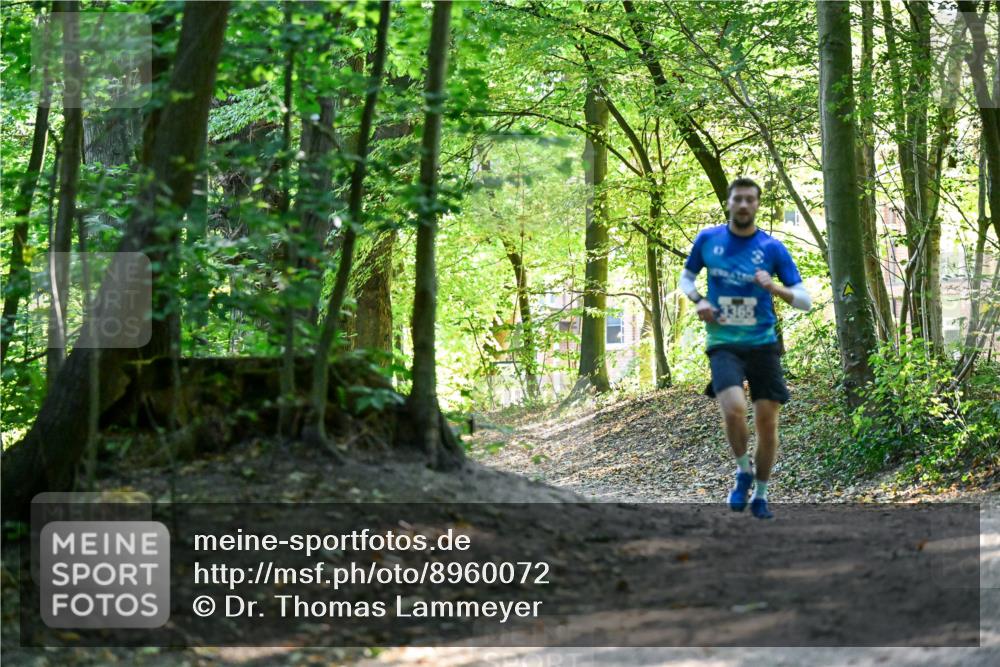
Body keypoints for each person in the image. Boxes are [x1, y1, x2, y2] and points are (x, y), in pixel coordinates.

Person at [679, 178, 812, 519]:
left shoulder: (772, 249)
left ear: (756, 205)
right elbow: (687, 279)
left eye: (749, 200)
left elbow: (805, 301)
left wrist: (775, 288)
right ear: (728, 203)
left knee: (767, 424)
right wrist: (699, 301)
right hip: (723, 342)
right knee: (734, 408)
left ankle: (762, 495)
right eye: (737, 199)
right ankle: (742, 470)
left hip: (763, 344)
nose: (743, 205)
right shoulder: (708, 240)